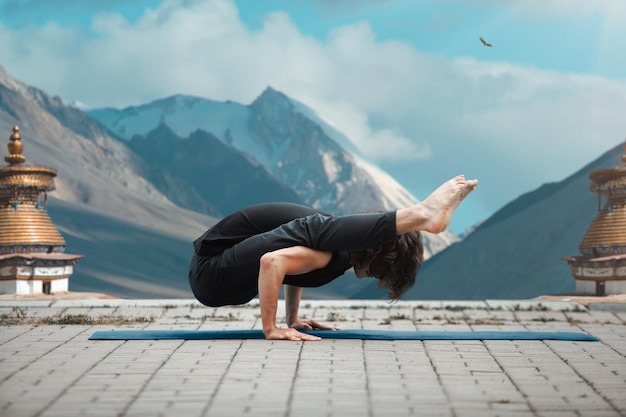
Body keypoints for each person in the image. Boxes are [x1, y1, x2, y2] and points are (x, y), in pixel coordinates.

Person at [189, 175, 478, 341]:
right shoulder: (330, 255)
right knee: (318, 229)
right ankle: (420, 215)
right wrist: (272, 329)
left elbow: (288, 266)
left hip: (220, 276)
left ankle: (420, 216)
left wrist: (293, 319)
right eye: (385, 270)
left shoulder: (330, 250)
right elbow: (272, 263)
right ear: (380, 256)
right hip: (211, 273)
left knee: (319, 230)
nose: (380, 277)